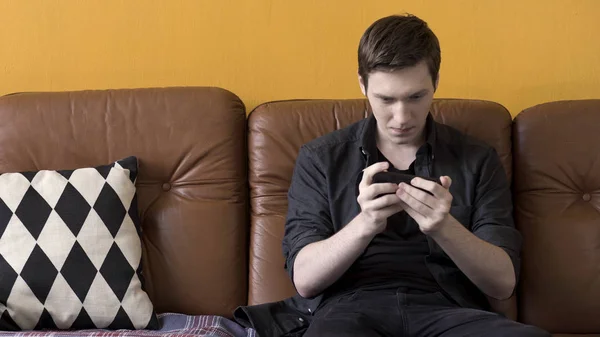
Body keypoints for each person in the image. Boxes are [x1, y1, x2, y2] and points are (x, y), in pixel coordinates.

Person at [234, 13, 551, 337]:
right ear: (363, 84)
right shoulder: (321, 158)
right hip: (349, 309)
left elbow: (502, 284)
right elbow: (305, 279)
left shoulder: (478, 159)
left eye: (416, 97)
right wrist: (365, 224)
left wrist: (444, 227)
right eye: (386, 99)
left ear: (435, 83)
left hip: (448, 309)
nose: (402, 117)